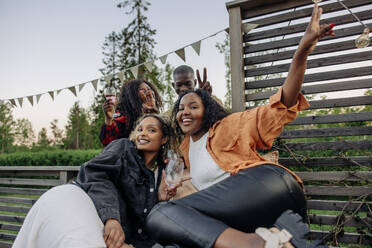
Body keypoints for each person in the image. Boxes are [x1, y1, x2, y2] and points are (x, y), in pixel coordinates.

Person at [146, 4, 334, 248]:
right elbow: (189, 177)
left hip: (268, 185)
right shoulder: (185, 149)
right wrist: (169, 186)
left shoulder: (228, 126)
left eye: (194, 106)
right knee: (169, 228)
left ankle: (255, 244)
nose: (185, 112)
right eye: (181, 108)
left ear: (209, 109)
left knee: (161, 215)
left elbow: (282, 105)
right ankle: (283, 242)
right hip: (250, 212)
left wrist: (302, 52)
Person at [13, 114, 184, 248]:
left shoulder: (161, 171)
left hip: (106, 223)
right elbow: (94, 172)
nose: (143, 133)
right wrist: (111, 218)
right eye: (140, 129)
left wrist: (159, 200)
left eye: (151, 130)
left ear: (164, 139)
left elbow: (139, 219)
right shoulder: (123, 147)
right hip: (77, 199)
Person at [99, 79, 163, 146]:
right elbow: (108, 141)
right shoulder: (124, 118)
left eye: (149, 89)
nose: (149, 92)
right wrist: (108, 119)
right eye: (144, 90)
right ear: (133, 96)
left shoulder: (159, 118)